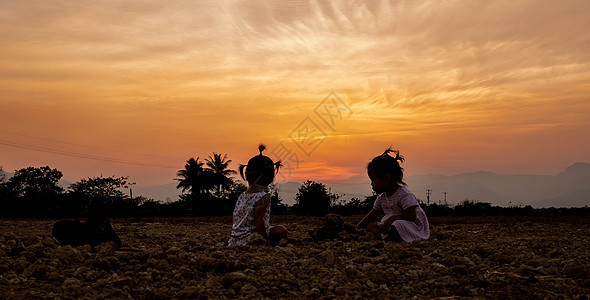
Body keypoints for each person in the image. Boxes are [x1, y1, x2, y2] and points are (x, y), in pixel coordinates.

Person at [357, 148, 429, 242]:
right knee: (370, 226)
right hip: (389, 225)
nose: (371, 184)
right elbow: (371, 216)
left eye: (373, 179)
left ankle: (387, 237)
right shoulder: (381, 199)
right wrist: (357, 228)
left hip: (412, 227)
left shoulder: (404, 195)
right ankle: (385, 237)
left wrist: (392, 219)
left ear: (386, 177)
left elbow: (412, 215)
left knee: (397, 225)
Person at [228, 145, 288, 246]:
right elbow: (259, 222)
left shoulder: (242, 195)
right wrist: (264, 238)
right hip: (250, 238)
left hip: (235, 238)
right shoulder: (263, 197)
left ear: (246, 175)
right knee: (282, 230)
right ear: (271, 177)